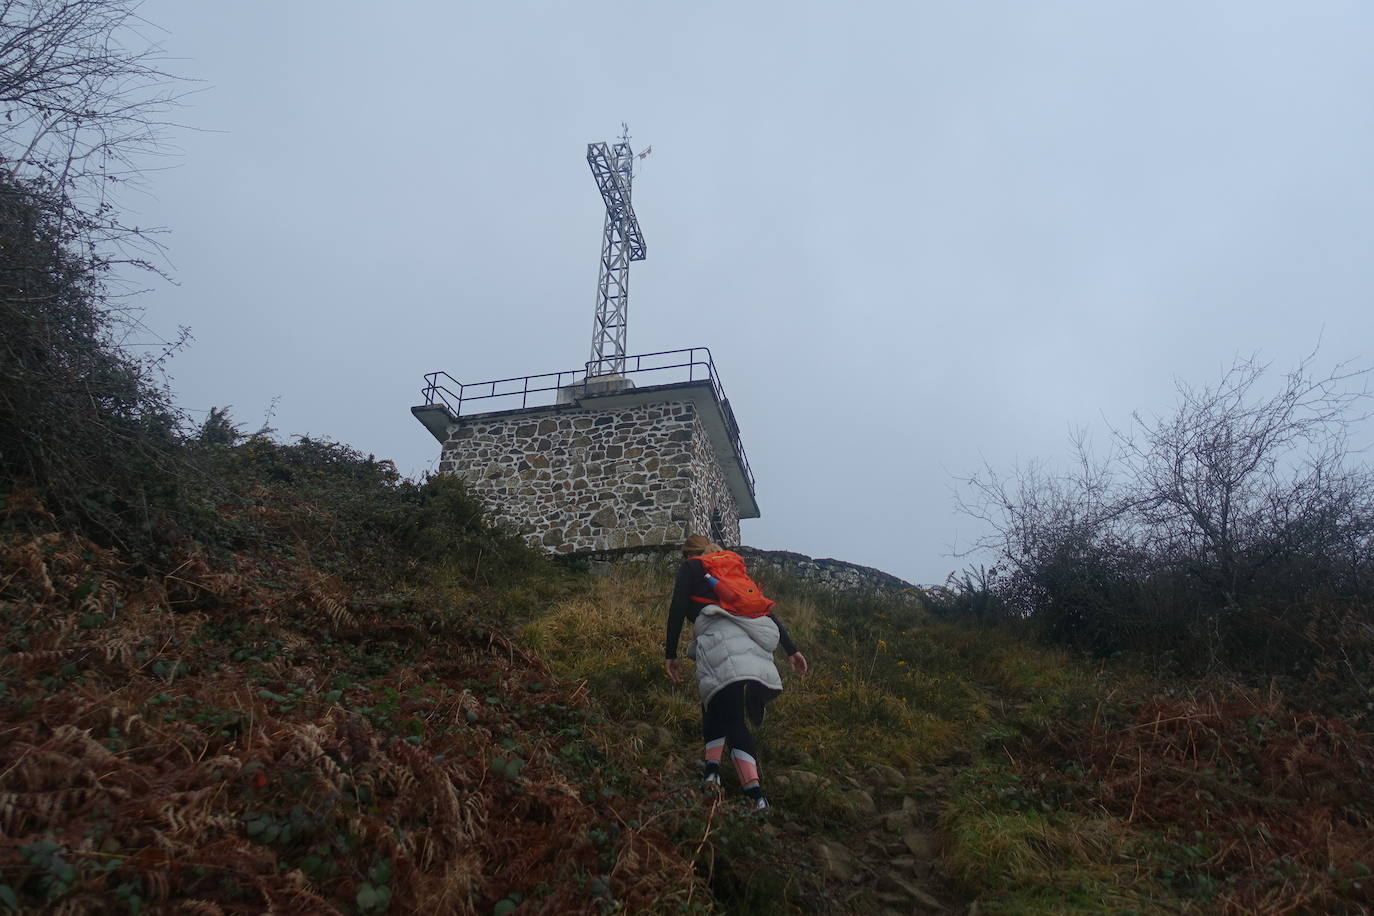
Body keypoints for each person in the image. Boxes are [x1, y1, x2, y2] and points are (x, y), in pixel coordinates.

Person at [664, 535, 808, 810]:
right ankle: (712, 771)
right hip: (750, 647)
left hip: (719, 644)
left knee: (728, 713)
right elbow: (760, 606)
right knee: (717, 703)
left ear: (686, 555)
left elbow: (678, 607)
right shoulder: (731, 570)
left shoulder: (692, 567)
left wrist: (670, 654)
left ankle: (754, 795)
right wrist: (791, 649)